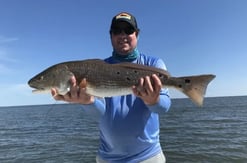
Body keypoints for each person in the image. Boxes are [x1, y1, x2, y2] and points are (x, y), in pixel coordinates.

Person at [51, 12, 171, 163]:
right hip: (107, 158)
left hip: (148, 157)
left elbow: (163, 108)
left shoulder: (153, 65)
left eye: (128, 30)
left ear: (137, 34)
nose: (122, 35)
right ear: (111, 36)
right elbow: (99, 113)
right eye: (117, 31)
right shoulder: (98, 68)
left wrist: (154, 100)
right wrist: (87, 101)